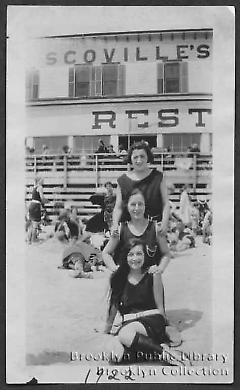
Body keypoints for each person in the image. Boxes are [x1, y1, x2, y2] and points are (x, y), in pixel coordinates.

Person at [104, 239, 187, 366]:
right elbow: (114, 305)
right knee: (115, 355)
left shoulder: (153, 274)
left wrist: (166, 324)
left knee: (125, 335)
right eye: (131, 254)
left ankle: (167, 354)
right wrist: (107, 328)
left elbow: (160, 306)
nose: (135, 258)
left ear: (145, 256)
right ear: (125, 256)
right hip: (129, 323)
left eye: (139, 254)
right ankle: (156, 348)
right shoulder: (118, 277)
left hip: (152, 320)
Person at [112, 141, 170, 235]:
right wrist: (114, 225)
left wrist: (164, 223)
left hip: (154, 230)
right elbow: (118, 207)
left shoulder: (158, 177)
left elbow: (165, 204)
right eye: (135, 157)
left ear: (148, 157)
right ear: (130, 159)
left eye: (142, 156)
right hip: (129, 232)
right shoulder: (122, 181)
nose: (139, 160)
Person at [27, 177, 46, 244]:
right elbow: (42, 198)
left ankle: (29, 240)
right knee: (35, 224)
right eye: (42, 180)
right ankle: (34, 240)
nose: (43, 181)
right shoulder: (40, 187)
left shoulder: (34, 187)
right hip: (36, 206)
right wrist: (47, 201)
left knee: (31, 225)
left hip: (31, 205)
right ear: (39, 181)